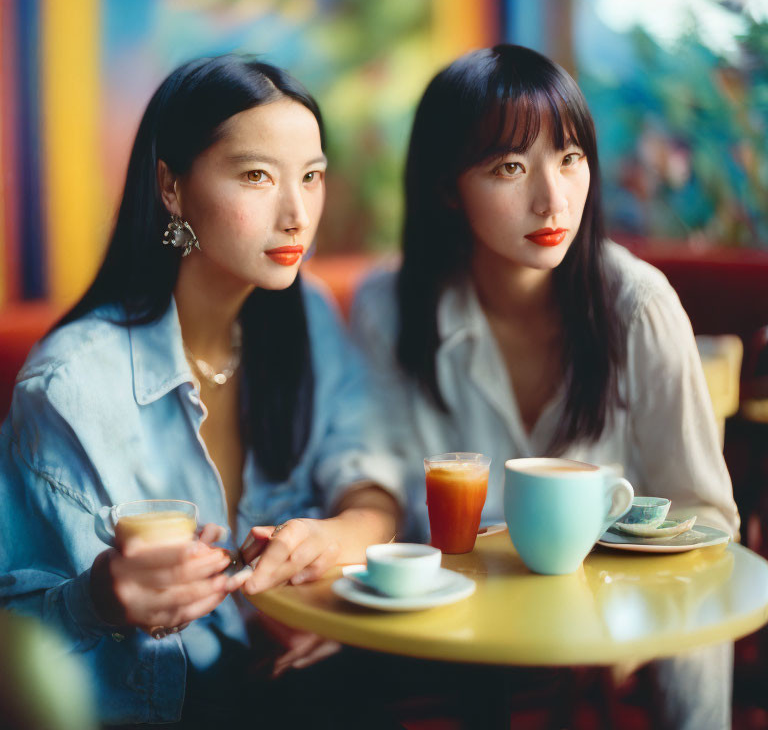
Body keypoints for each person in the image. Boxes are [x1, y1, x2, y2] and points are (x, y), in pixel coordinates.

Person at [0, 55, 402, 727]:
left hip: (302, 686)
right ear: (171, 188)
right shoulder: (71, 387)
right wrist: (99, 599)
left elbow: (369, 476)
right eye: (257, 177)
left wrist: (333, 543)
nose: (297, 213)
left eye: (312, 177)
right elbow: (17, 629)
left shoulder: (306, 314)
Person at [351, 44, 739, 730]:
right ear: (447, 186)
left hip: (614, 615)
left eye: (570, 158)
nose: (552, 197)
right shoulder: (390, 307)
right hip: (449, 618)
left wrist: (635, 630)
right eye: (509, 167)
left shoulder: (637, 306)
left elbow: (705, 519)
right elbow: (376, 480)